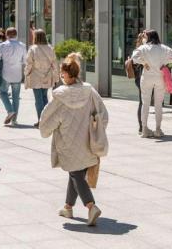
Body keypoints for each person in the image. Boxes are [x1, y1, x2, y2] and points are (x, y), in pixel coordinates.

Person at [39, 56, 107, 227]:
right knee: (76, 172)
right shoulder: (89, 91)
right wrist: (97, 128)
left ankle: (91, 206)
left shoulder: (61, 96)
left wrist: (45, 129)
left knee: (75, 172)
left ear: (68, 75)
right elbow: (103, 113)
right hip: (87, 140)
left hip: (68, 141)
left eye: (62, 74)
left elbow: (49, 119)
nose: (62, 77)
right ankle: (68, 207)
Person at [130, 29, 172, 138]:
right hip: (159, 78)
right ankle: (158, 129)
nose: (144, 38)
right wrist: (166, 62)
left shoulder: (143, 48)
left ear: (149, 37)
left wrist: (144, 62)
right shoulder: (163, 48)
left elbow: (134, 58)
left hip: (147, 77)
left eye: (146, 36)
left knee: (145, 103)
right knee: (158, 105)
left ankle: (144, 129)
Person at [24, 29, 60, 128]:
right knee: (45, 98)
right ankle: (47, 119)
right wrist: (56, 77)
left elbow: (29, 63)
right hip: (47, 76)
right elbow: (54, 64)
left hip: (36, 76)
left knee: (38, 100)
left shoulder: (33, 49)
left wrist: (26, 73)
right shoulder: (50, 48)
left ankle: (41, 120)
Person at [0, 27, 28, 125]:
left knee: (3, 92)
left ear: (6, 35)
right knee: (16, 97)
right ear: (16, 35)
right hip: (17, 74)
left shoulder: (2, 45)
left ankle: (10, 111)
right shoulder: (22, 45)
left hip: (6, 73)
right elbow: (25, 60)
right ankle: (14, 120)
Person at [126, 32, 147, 135]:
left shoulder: (139, 49)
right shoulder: (140, 50)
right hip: (141, 78)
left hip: (140, 79)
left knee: (142, 102)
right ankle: (141, 127)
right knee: (142, 102)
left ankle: (142, 126)